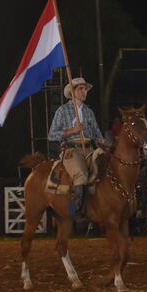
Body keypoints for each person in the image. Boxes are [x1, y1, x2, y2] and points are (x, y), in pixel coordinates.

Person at [48, 76, 104, 215]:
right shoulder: (62, 110)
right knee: (81, 174)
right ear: (72, 92)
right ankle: (76, 210)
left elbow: (97, 133)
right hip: (71, 150)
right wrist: (72, 131)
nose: (84, 91)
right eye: (81, 88)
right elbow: (52, 135)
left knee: (105, 170)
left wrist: (104, 145)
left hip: (90, 148)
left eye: (85, 89)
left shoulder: (88, 112)